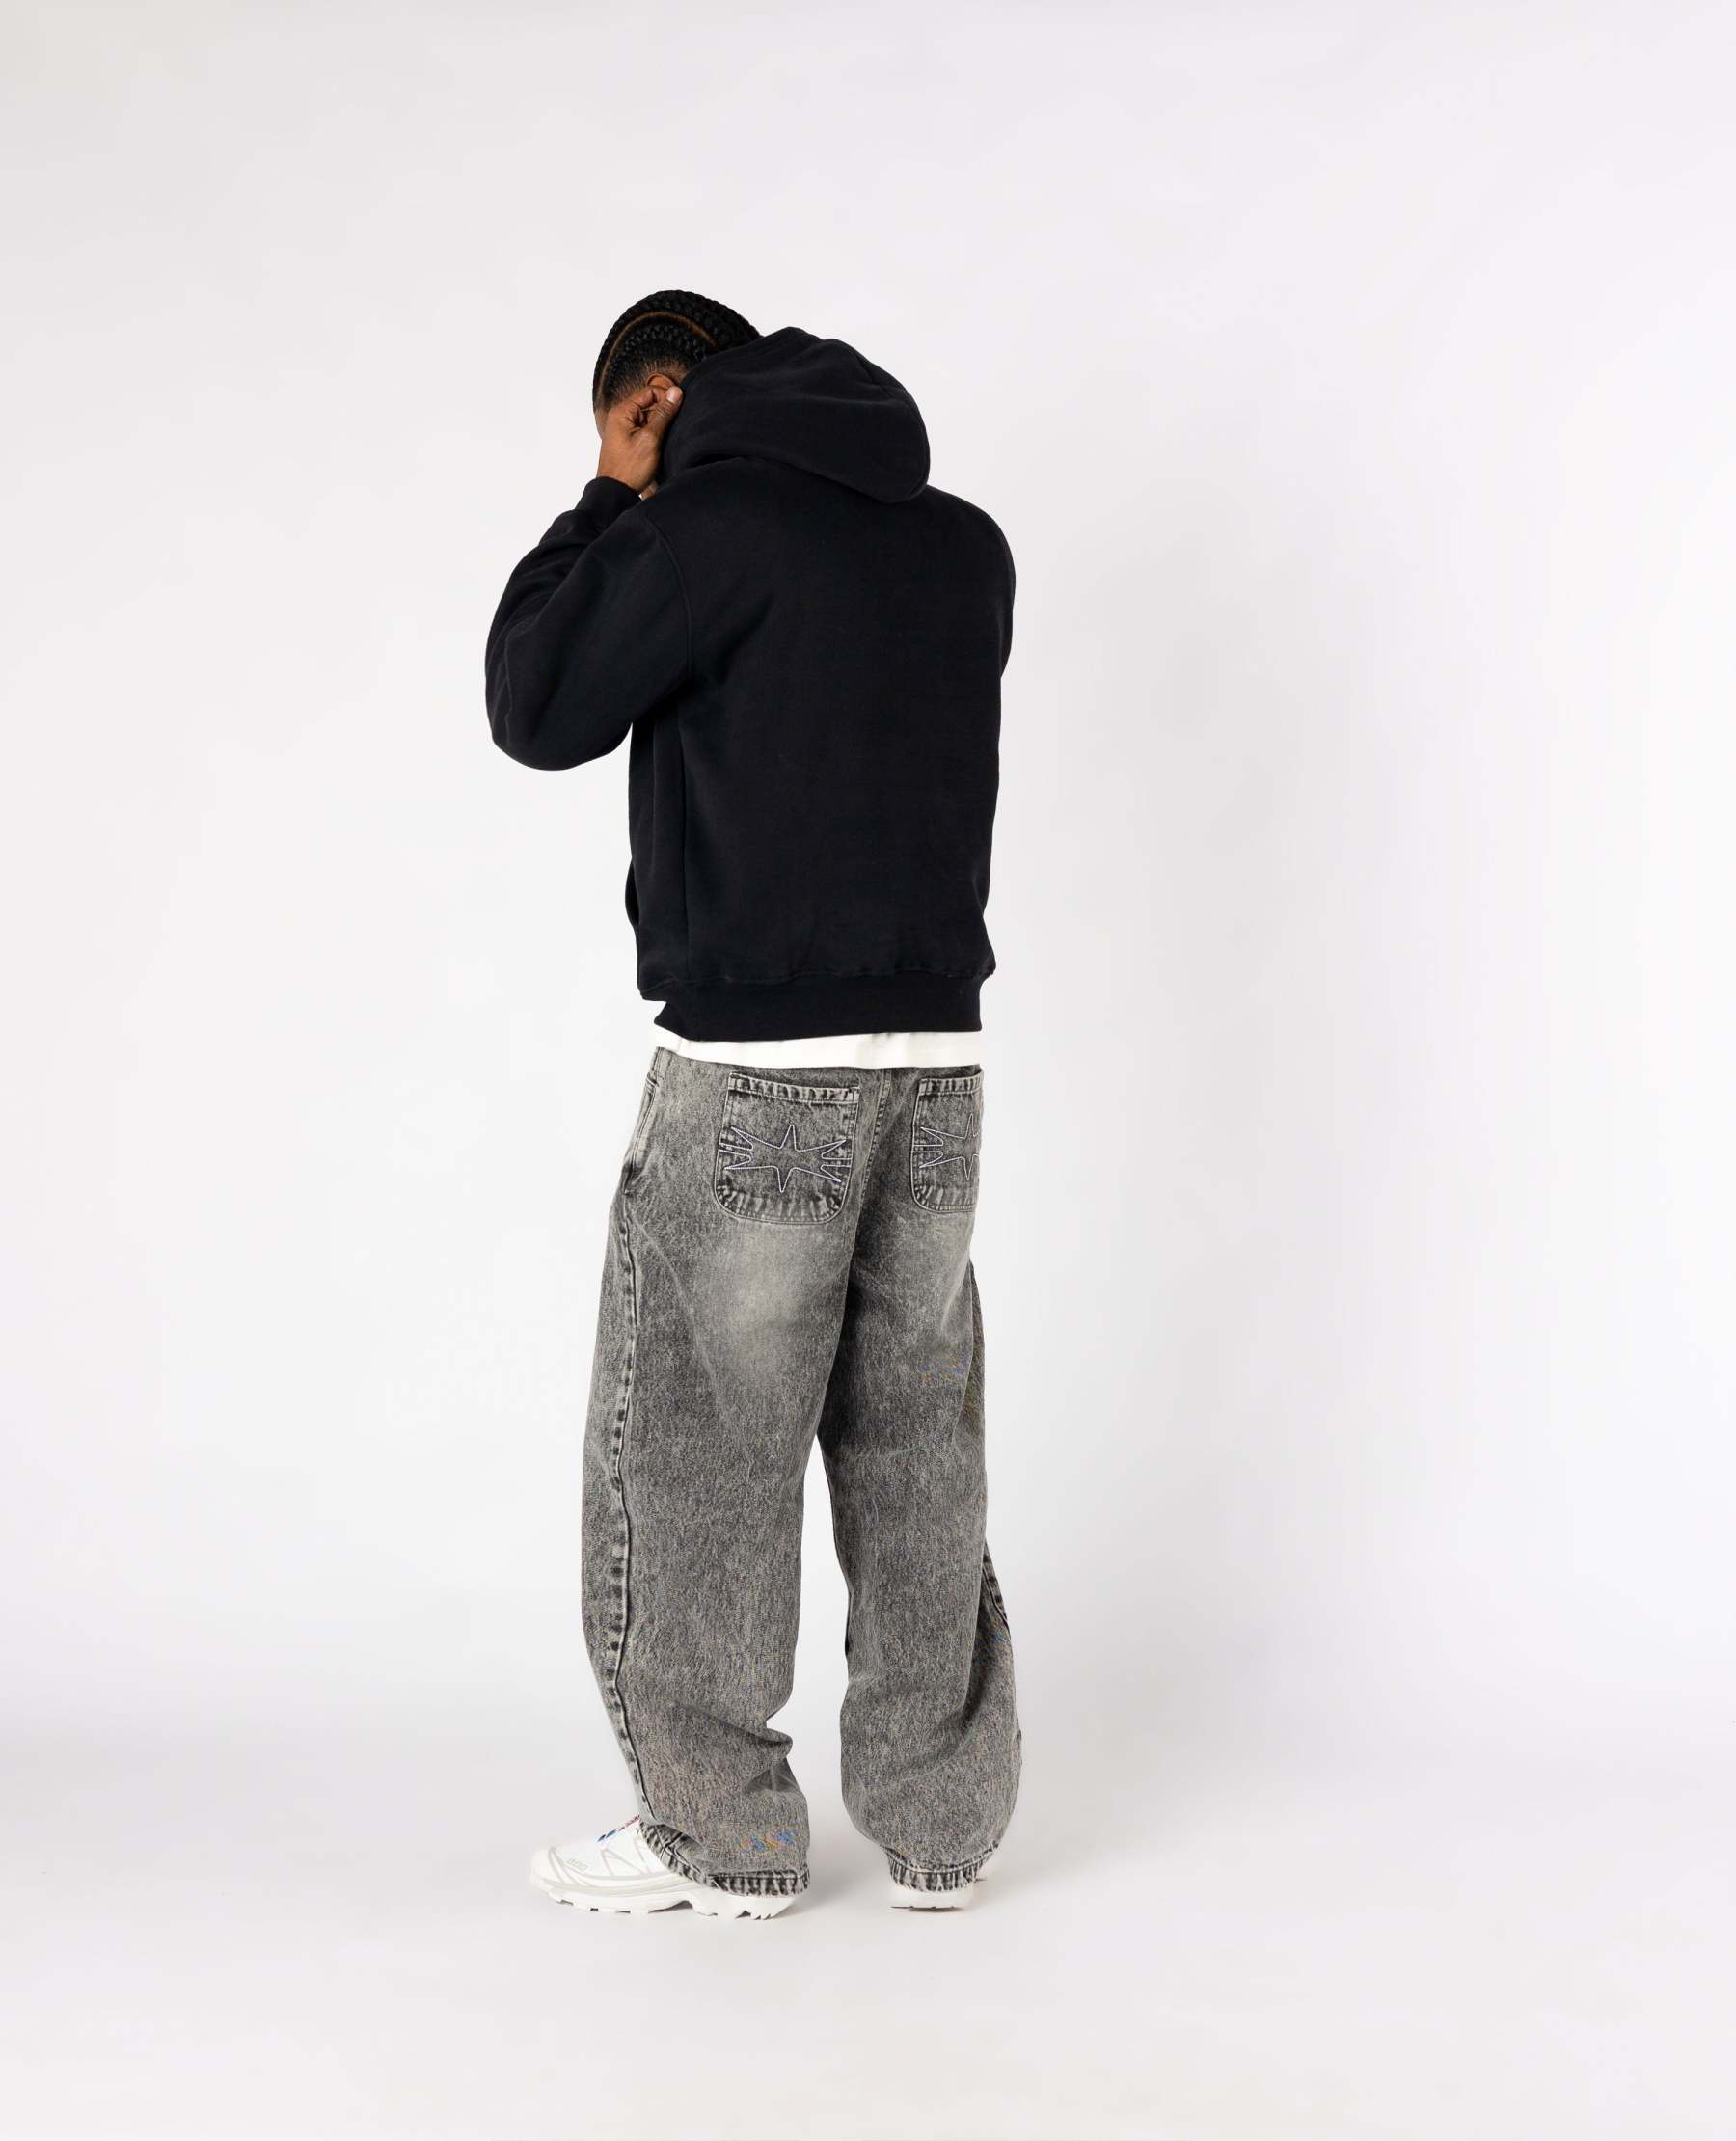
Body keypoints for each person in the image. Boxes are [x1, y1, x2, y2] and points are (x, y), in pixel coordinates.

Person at [485, 291, 1019, 1919]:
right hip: (937, 1063)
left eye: (629, 428)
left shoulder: (700, 528)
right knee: (916, 1442)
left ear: (657, 401)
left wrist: (609, 490)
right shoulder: (963, 545)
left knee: (704, 1458)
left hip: (760, 1065)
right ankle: (940, 1830)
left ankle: (726, 1840)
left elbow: (537, 701)